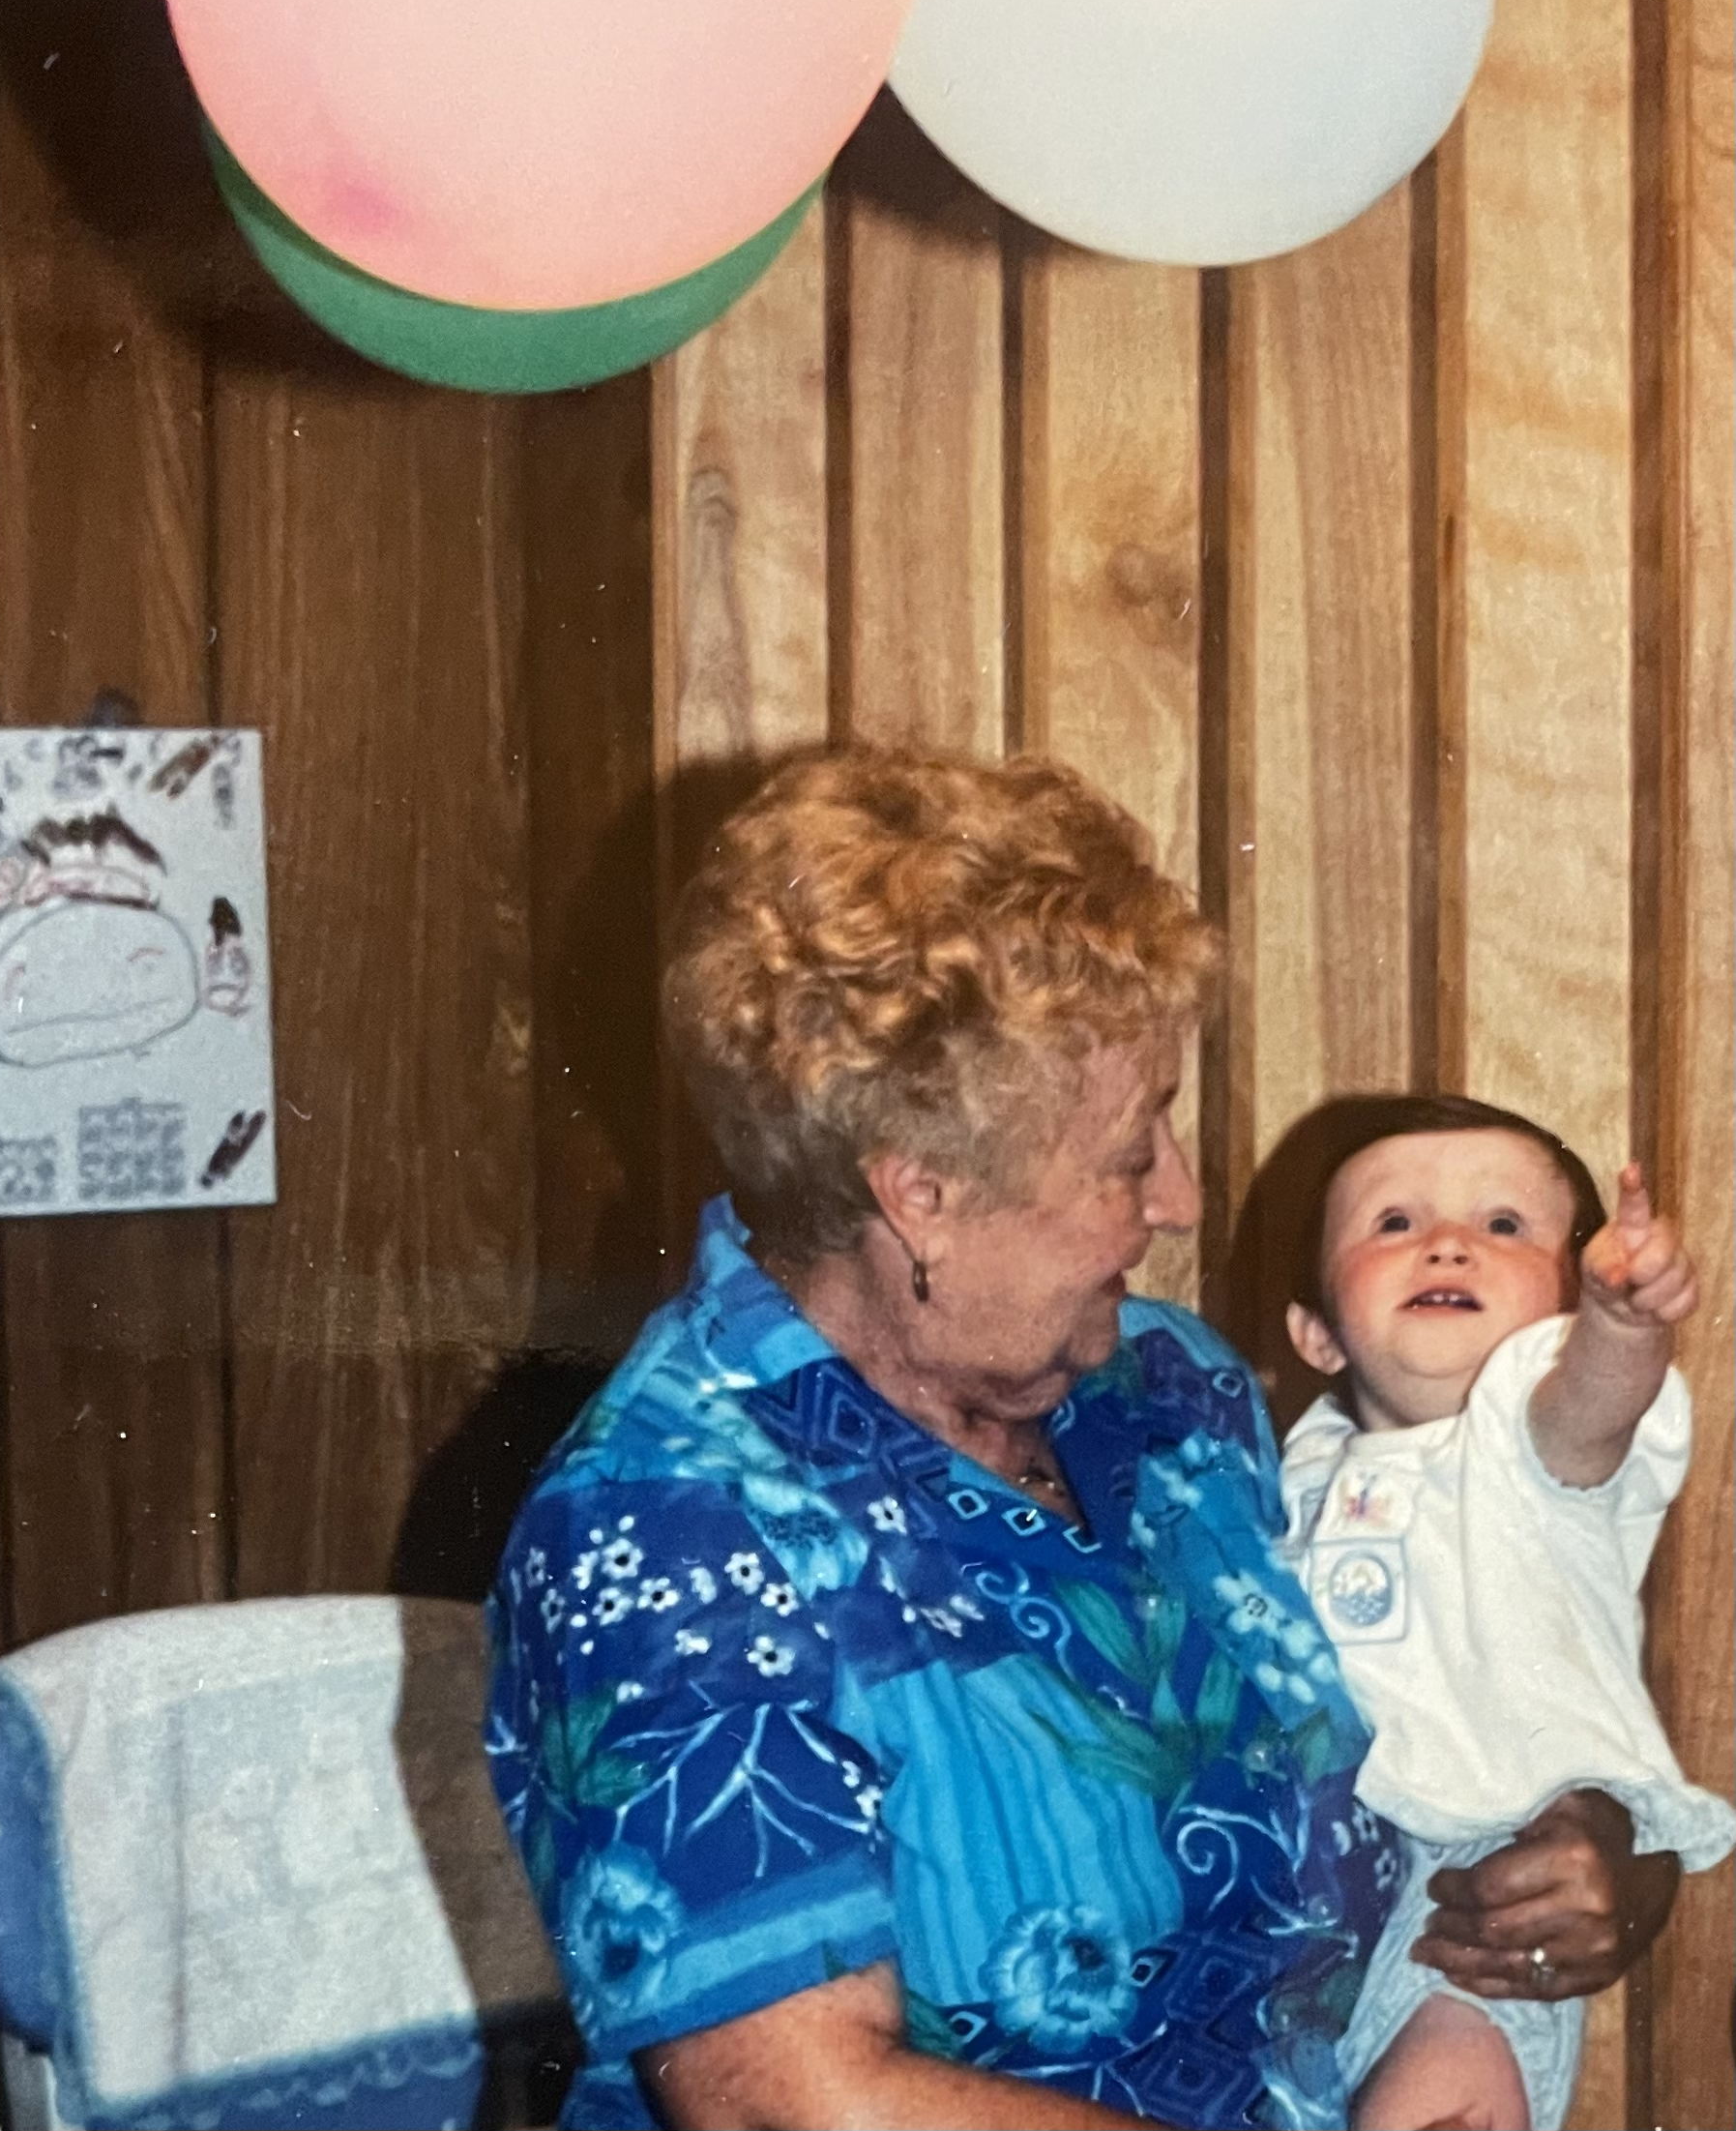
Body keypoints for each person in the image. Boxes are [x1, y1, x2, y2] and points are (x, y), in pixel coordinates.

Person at [484, 752, 1675, 2131]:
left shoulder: (1171, 1390)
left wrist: (1597, 1852)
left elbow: (1439, 1683)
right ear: (920, 1194)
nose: (1179, 1197)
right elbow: (797, 2106)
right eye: (1128, 1151)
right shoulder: (666, 1528)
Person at [1274, 1094, 1736, 2131]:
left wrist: (1622, 1323)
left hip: (1481, 1885)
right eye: (1395, 1221)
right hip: (1302, 1885)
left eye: (1504, 1223)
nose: (1448, 1242)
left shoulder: (1534, 1443)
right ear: (1317, 1332)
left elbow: (1596, 1396)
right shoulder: (1304, 1466)